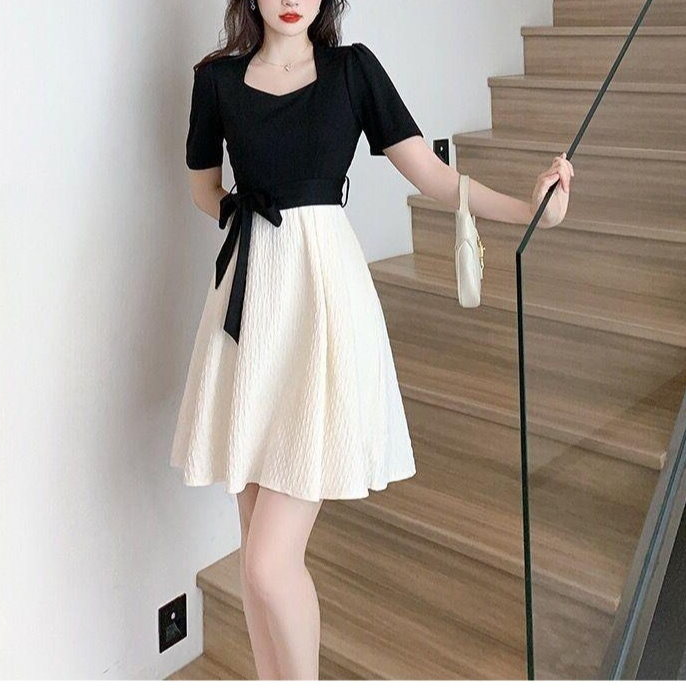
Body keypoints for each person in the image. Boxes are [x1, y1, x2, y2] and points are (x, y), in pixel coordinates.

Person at [169, 0, 574, 681]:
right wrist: (250, 213)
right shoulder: (217, 81)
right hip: (248, 308)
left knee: (269, 563)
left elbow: (434, 176)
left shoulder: (352, 71)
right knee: (254, 554)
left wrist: (529, 210)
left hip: (325, 307)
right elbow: (203, 187)